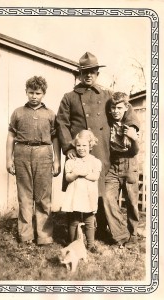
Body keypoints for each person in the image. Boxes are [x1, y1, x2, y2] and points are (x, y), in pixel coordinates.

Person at [56, 52, 112, 241]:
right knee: (77, 188)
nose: (89, 75)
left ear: (98, 73)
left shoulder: (106, 95)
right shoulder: (69, 97)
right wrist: (68, 148)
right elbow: (61, 123)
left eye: (93, 71)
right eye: (85, 72)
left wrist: (134, 127)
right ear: (80, 73)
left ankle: (100, 230)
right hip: (78, 151)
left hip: (100, 149)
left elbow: (122, 109)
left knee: (100, 189)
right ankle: (73, 231)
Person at [6, 76, 61, 246]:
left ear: (43, 93)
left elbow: (55, 138)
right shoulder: (18, 112)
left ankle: (44, 236)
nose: (34, 96)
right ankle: (26, 235)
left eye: (38, 93)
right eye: (31, 92)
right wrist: (9, 159)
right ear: (26, 92)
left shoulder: (50, 114)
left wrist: (57, 160)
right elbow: (10, 137)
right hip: (22, 152)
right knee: (24, 196)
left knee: (43, 196)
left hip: (44, 153)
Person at [104, 91, 140, 248]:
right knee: (107, 197)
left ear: (126, 107)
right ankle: (120, 234)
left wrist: (134, 137)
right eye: (113, 108)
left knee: (131, 201)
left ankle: (133, 234)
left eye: (119, 108)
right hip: (113, 164)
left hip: (129, 162)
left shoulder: (131, 125)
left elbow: (135, 151)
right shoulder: (109, 121)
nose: (115, 111)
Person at [61, 130, 102, 252]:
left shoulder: (95, 161)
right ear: (75, 146)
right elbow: (68, 177)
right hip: (75, 195)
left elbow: (95, 177)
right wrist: (75, 174)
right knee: (74, 220)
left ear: (90, 146)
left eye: (84, 145)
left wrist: (84, 174)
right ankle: (72, 243)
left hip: (89, 195)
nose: (81, 148)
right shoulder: (71, 161)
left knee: (89, 220)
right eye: (78, 145)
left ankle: (90, 245)